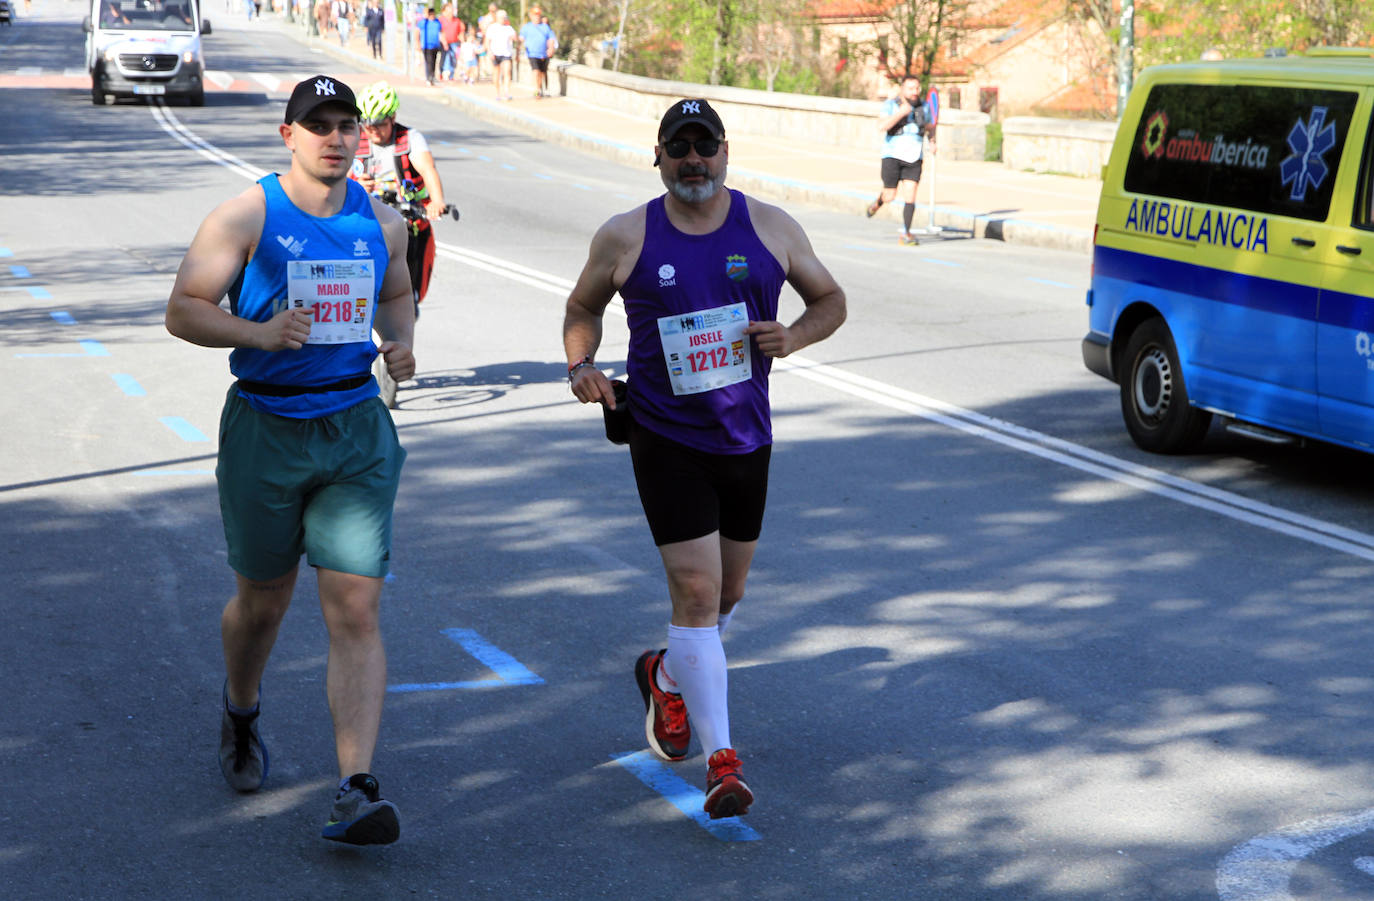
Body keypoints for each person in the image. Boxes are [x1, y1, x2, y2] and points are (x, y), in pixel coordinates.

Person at [562, 99, 847, 820]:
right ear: (657, 156)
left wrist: (794, 336)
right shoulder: (626, 235)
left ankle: (665, 673)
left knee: (725, 597)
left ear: (725, 152)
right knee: (694, 590)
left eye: (705, 146)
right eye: (679, 147)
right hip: (664, 435)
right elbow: (581, 308)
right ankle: (723, 763)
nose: (694, 159)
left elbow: (832, 299)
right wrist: (581, 364)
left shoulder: (772, 226)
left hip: (745, 438)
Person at [164, 75, 415, 846]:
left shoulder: (383, 223)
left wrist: (401, 345)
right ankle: (242, 707)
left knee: (356, 607)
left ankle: (355, 787)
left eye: (348, 126)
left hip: (353, 426)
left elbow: (396, 293)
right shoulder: (246, 215)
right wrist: (260, 333)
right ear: (289, 135)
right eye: (320, 125)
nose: (336, 138)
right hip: (266, 428)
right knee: (263, 603)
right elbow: (184, 309)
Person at [350, 80, 449, 312]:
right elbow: (337, 178)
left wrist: (436, 202)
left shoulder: (410, 139)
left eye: (379, 125)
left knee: (412, 261)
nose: (372, 131)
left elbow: (428, 170)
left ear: (393, 118)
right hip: (366, 218)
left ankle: (408, 302)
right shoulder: (355, 140)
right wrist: (354, 185)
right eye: (367, 125)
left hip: (405, 219)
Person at [865, 74, 937, 246]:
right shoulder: (891, 105)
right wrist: (901, 113)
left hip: (914, 157)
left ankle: (906, 233)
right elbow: (882, 126)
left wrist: (933, 141)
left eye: (917, 88)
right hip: (892, 156)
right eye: (910, 88)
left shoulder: (924, 107)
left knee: (910, 195)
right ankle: (878, 202)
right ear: (903, 89)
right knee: (890, 195)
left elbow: (930, 126)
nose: (914, 92)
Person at [517, 6, 554, 99]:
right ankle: (536, 90)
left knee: (542, 73)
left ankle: (539, 88)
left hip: (544, 54)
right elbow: (521, 39)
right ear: (531, 16)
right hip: (532, 53)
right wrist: (517, 50)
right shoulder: (527, 27)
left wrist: (551, 48)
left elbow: (551, 38)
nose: (537, 17)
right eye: (535, 15)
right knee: (536, 71)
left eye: (538, 15)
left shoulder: (545, 27)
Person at [484, 9, 516, 100]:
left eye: (504, 17)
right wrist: (489, 52)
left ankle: (506, 92)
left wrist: (514, 37)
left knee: (507, 72)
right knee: (496, 73)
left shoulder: (509, 28)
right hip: (495, 53)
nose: (503, 19)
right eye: (501, 17)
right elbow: (487, 41)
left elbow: (515, 38)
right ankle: (497, 93)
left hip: (506, 53)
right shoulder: (492, 28)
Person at [417, 6, 443, 86]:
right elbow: (417, 32)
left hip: (435, 45)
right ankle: (429, 77)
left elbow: (441, 32)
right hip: (426, 45)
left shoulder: (437, 22)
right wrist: (418, 43)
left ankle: (432, 76)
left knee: (434, 62)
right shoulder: (424, 22)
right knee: (429, 61)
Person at [439, 4, 463, 81]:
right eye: (449, 11)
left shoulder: (457, 20)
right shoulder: (441, 20)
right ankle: (443, 72)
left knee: (453, 58)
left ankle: (451, 75)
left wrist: (462, 42)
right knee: (445, 57)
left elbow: (461, 31)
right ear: (444, 11)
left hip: (454, 42)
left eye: (452, 11)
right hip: (444, 42)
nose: (451, 13)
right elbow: (439, 32)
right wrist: (444, 41)